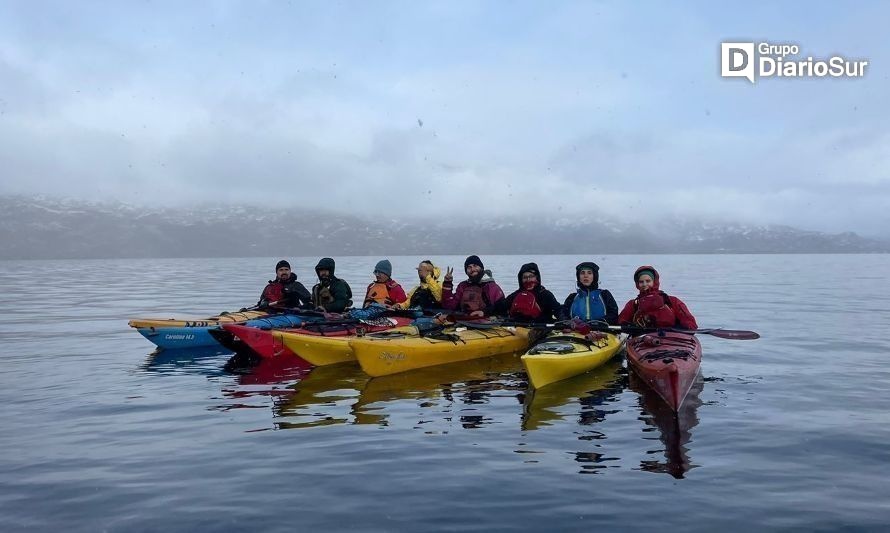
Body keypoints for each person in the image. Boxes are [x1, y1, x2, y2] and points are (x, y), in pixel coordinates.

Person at [618, 266, 698, 329]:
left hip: (671, 337)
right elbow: (621, 322)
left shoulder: (671, 301)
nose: (645, 284)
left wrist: (685, 327)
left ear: (654, 281)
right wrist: (629, 327)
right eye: (641, 282)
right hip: (643, 340)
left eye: (648, 281)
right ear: (637, 284)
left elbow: (690, 322)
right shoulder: (633, 304)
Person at [494, 262, 561, 322]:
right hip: (518, 328)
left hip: (541, 328)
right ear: (521, 280)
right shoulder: (516, 295)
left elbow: (558, 310)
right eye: (525, 277)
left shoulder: (546, 294)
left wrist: (564, 321)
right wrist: (484, 312)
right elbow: (500, 306)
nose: (528, 280)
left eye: (531, 276)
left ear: (537, 278)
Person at [440, 255, 505, 317]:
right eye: (469, 267)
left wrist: (484, 312)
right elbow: (449, 306)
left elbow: (502, 307)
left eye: (475, 266)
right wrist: (447, 283)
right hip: (465, 320)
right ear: (466, 271)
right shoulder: (463, 286)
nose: (473, 269)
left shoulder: (492, 287)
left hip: (485, 321)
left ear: (481, 268)